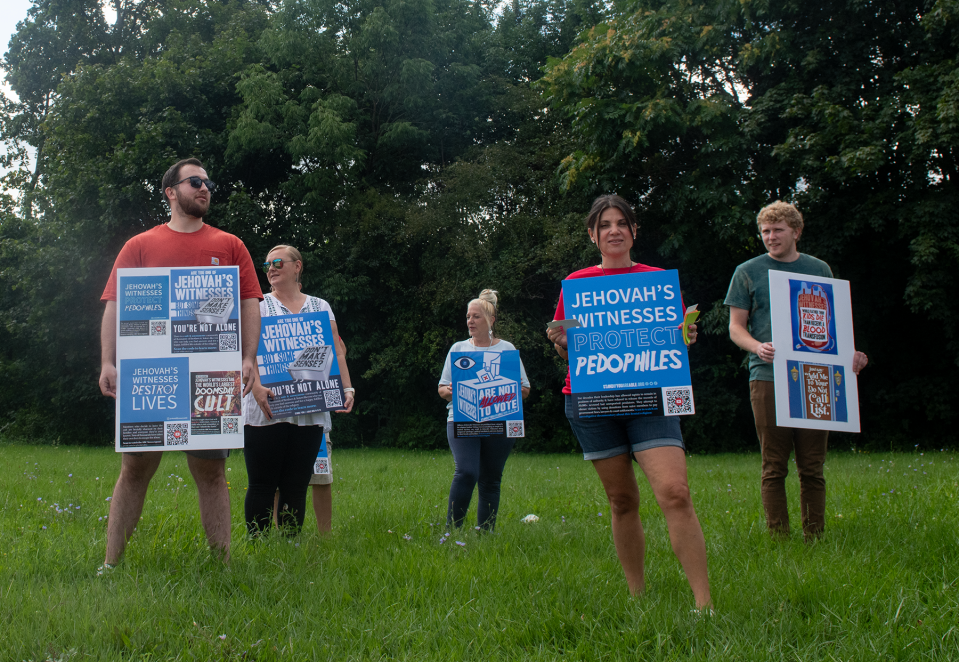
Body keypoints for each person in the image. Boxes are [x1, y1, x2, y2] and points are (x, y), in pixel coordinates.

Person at [546, 195, 711, 609]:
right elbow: (570, 352)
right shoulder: (577, 283)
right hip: (592, 403)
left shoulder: (657, 281)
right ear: (592, 235)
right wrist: (561, 342)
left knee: (675, 492)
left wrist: (685, 337)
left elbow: (672, 346)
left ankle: (704, 605)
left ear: (634, 231)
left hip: (650, 397)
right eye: (604, 225)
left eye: (621, 223)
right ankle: (637, 597)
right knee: (622, 501)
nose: (613, 230)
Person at [98, 158, 263, 569]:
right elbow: (115, 306)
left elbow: (248, 303)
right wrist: (107, 361)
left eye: (208, 181)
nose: (204, 187)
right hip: (149, 376)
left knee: (211, 472)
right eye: (195, 181)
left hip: (212, 374)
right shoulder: (139, 245)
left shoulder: (230, 245)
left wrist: (247, 357)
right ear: (171, 191)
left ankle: (223, 568)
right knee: (134, 471)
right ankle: (110, 565)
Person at [725, 201, 868, 540]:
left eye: (777, 231)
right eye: (765, 232)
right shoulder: (747, 271)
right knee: (774, 466)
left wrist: (851, 358)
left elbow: (833, 326)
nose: (770, 237)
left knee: (812, 467)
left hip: (816, 377)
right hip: (767, 376)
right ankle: (778, 537)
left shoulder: (819, 270)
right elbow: (735, 327)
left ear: (796, 232)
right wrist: (757, 346)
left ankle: (815, 537)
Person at [244, 245, 354, 535]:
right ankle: (259, 546)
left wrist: (347, 387)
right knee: (262, 484)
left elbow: (337, 351)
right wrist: (255, 386)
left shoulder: (320, 306)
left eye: (278, 262)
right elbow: (245, 351)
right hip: (266, 408)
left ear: (298, 267)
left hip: (310, 409)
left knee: (296, 484)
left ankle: (290, 547)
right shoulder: (257, 305)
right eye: (266, 264)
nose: (271, 268)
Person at [437, 290, 530, 532]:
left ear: (491, 320)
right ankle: (452, 531)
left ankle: (486, 534)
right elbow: (442, 390)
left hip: (499, 421)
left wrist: (503, 390)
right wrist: (453, 390)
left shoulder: (507, 349)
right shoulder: (458, 349)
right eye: (468, 316)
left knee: (490, 479)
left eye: (476, 316)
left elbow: (525, 390)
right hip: (461, 418)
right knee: (467, 471)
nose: (470, 321)